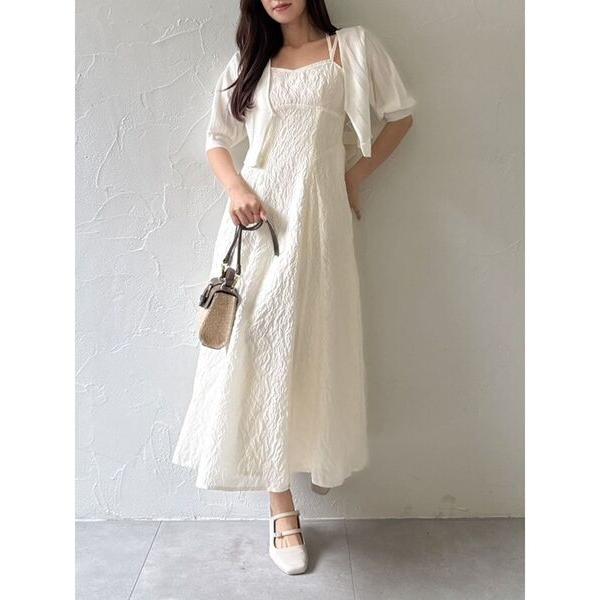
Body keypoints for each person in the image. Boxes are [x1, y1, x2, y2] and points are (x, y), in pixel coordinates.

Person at [172, 0, 415, 575]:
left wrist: (353, 176)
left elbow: (401, 117)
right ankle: (282, 509)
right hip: (259, 220)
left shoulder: (351, 47)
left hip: (321, 216)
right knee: (258, 345)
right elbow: (216, 139)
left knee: (316, 340)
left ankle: (317, 449)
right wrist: (236, 189)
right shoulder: (248, 61)